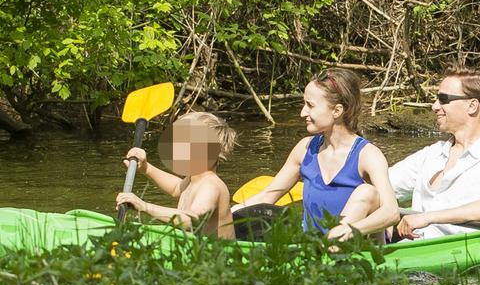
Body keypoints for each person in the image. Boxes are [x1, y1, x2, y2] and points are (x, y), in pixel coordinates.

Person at [232, 68, 399, 240]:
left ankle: (334, 244)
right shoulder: (304, 149)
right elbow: (268, 195)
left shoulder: (368, 155)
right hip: (314, 248)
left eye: (310, 105)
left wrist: (348, 230)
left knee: (367, 192)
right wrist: (224, 216)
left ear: (337, 111)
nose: (302, 113)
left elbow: (391, 212)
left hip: (360, 246)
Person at [389, 65, 480, 240]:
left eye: (443, 99)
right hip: (413, 249)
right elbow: (381, 185)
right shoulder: (430, 154)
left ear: (472, 106)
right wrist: (383, 216)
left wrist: (429, 217)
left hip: (463, 255)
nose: (434, 106)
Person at [116, 111, 237, 239]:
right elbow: (176, 188)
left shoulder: (210, 186)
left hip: (221, 256)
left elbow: (193, 221)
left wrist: (144, 206)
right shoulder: (194, 178)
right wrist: (146, 168)